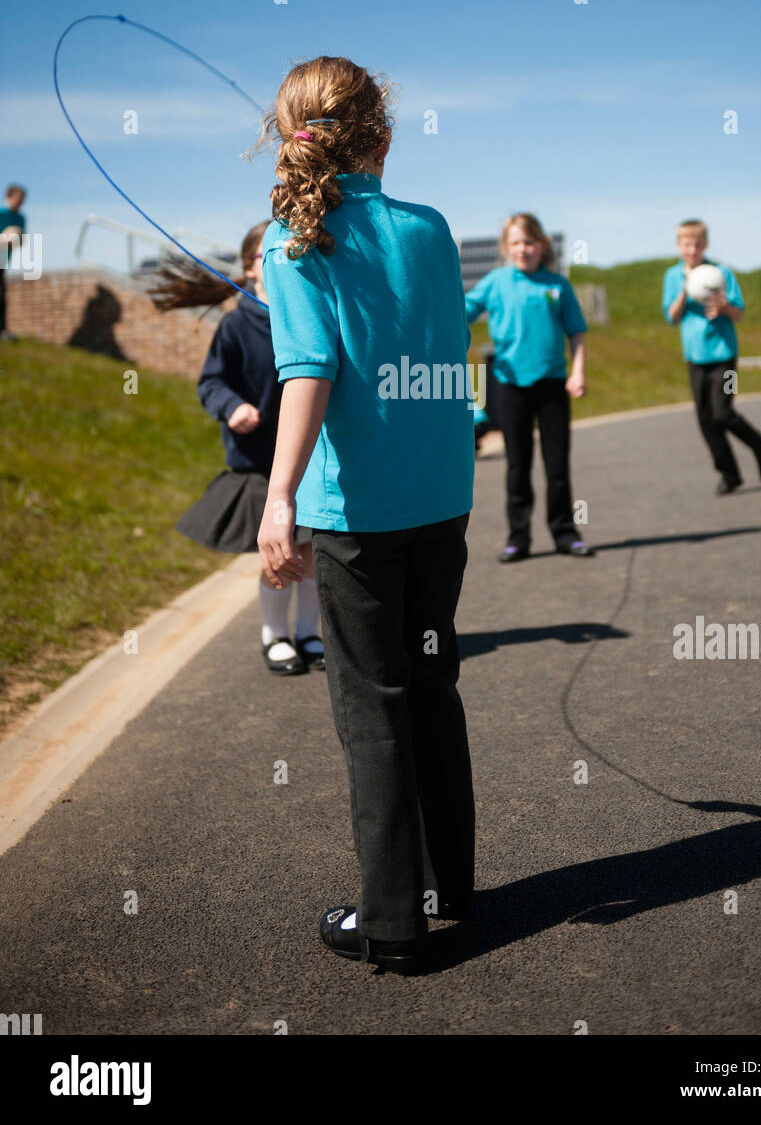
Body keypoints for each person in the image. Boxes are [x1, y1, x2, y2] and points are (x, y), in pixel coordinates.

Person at [255, 56, 476, 975]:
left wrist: (277, 495)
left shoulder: (291, 239)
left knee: (371, 709)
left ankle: (393, 924)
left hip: (357, 512)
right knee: (431, 686)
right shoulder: (428, 228)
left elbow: (309, 369)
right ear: (381, 138)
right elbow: (433, 343)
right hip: (441, 495)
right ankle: (445, 884)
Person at [149, 222, 324, 675]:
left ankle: (308, 634)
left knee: (308, 556)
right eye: (277, 253)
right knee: (280, 555)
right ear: (252, 268)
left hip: (308, 461)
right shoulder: (235, 325)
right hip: (259, 465)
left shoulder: (306, 313)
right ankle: (276, 636)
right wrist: (232, 407)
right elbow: (211, 381)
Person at [465, 213, 593, 562]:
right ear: (507, 247)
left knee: (557, 465)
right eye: (516, 242)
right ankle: (518, 538)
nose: (523, 249)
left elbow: (576, 332)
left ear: (542, 246)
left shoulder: (557, 286)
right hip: (510, 385)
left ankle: (566, 533)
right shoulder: (495, 281)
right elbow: (465, 309)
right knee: (517, 465)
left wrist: (577, 372)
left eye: (530, 242)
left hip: (553, 385)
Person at [662, 218, 761, 494]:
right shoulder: (673, 276)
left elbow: (739, 313)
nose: (693, 250)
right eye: (687, 245)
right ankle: (730, 474)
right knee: (705, 419)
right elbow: (671, 317)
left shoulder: (721, 273)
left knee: (723, 412)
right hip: (695, 358)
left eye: (698, 244)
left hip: (725, 356)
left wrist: (724, 308)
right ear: (679, 246)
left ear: (706, 245)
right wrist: (685, 292)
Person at [0, 183, 27, 343]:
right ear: (9, 197)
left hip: (3, 261)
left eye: (22, 200)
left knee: (2, 296)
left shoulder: (20, 218)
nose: (20, 203)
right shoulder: (1, 213)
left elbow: (22, 240)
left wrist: (16, 239)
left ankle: (2, 330)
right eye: (18, 199)